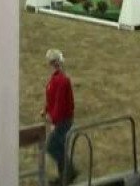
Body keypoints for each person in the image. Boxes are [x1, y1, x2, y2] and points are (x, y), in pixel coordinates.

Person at [41, 49, 77, 186]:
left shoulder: (61, 80)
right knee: (59, 147)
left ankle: (69, 173)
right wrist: (45, 110)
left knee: (52, 146)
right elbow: (52, 98)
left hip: (63, 121)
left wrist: (53, 120)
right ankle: (64, 177)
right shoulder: (56, 79)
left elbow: (60, 103)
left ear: (53, 63)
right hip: (61, 119)